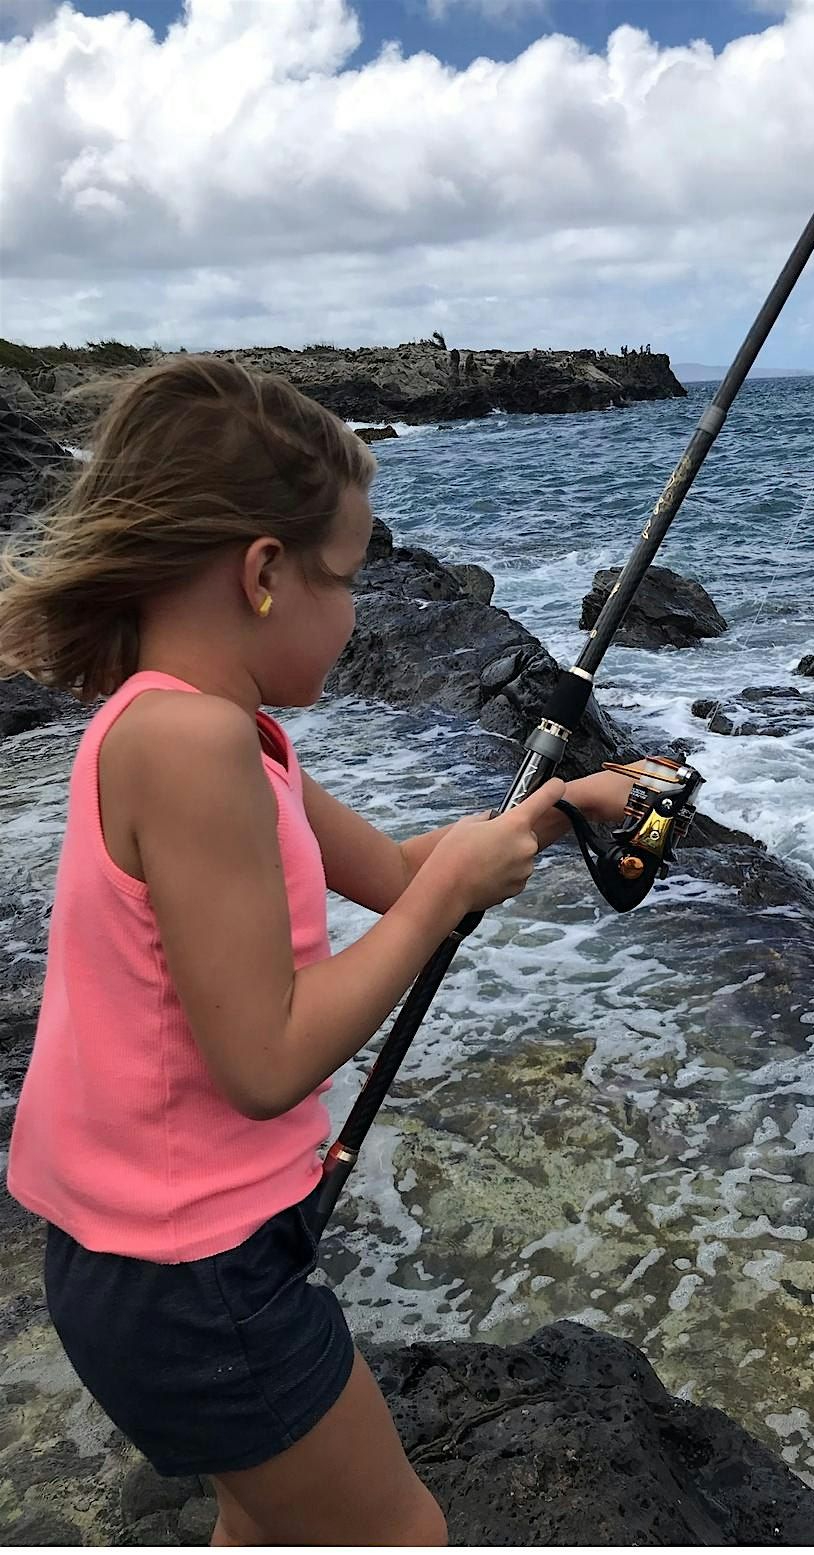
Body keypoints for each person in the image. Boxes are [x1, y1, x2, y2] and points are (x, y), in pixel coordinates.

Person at [0, 357, 634, 1545]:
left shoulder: (198, 726)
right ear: (261, 574)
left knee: (268, 1522)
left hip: (157, 1256)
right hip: (191, 1276)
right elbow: (266, 1056)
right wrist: (447, 892)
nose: (354, 617)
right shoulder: (193, 745)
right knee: (403, 1535)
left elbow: (394, 871)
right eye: (343, 581)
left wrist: (556, 808)